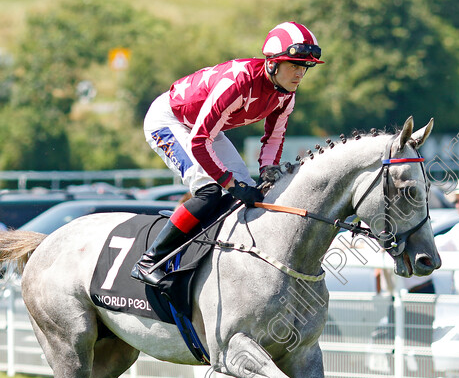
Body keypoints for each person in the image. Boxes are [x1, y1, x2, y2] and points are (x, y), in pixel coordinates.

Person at [131, 21, 324, 286]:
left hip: (204, 129)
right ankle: (149, 261)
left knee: (247, 195)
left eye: (304, 67)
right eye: (293, 65)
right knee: (211, 190)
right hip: (169, 120)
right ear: (272, 63)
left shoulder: (286, 96)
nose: (299, 74)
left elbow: (274, 138)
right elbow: (199, 141)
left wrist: (269, 170)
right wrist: (228, 183)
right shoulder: (238, 83)